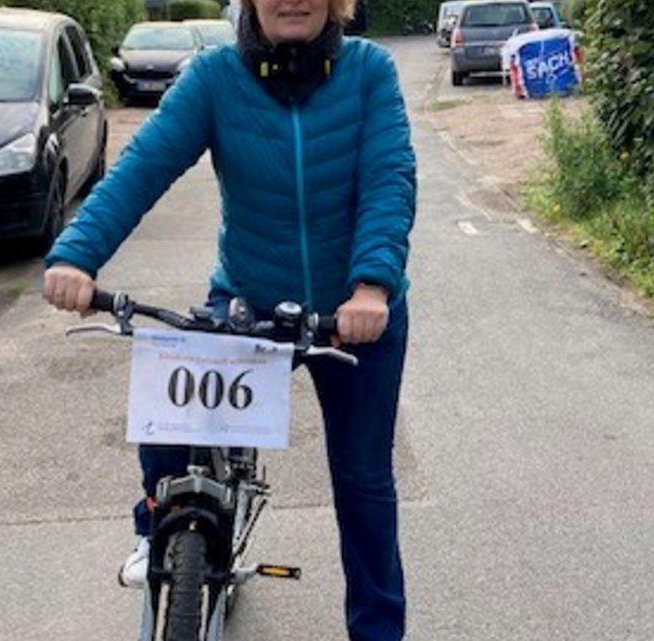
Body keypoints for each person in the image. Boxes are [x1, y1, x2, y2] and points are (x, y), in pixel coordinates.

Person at [42, 0, 415, 639]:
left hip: (354, 314)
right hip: (250, 296)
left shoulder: (369, 72)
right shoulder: (215, 76)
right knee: (171, 400)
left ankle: (378, 630)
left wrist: (372, 286)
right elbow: (143, 168)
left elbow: (389, 180)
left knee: (364, 483)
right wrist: (78, 254)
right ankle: (154, 528)